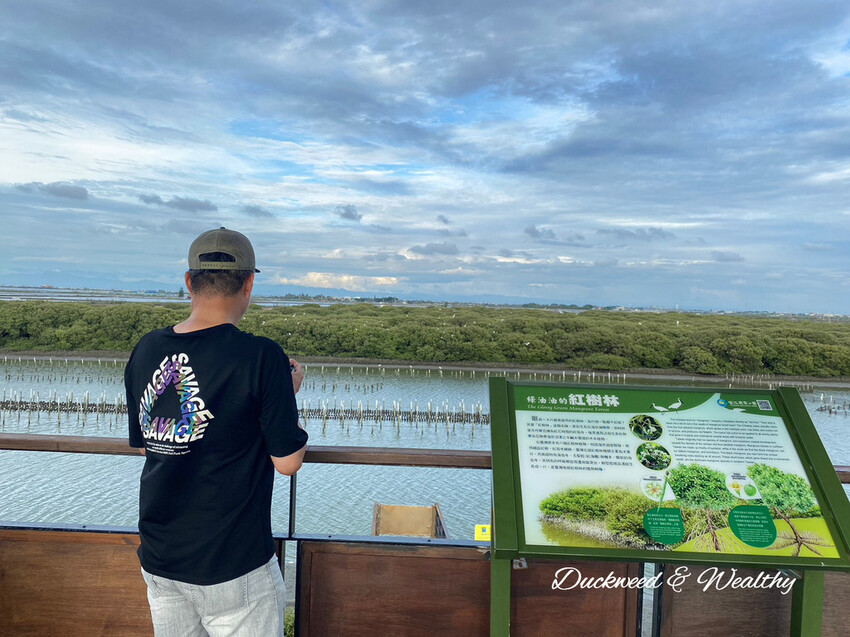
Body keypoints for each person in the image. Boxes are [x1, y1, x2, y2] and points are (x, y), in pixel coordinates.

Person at [124, 227, 308, 636]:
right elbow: (288, 462)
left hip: (160, 556)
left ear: (189, 282)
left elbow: (147, 447)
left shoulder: (147, 349)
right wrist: (286, 395)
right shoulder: (261, 356)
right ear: (249, 283)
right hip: (233, 562)